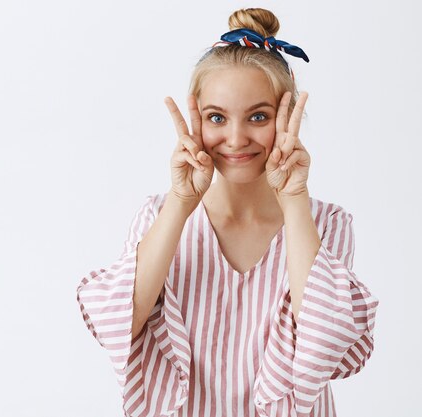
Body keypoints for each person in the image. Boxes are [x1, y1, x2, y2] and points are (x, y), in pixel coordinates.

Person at [75, 7, 379, 417]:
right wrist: (182, 202)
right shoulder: (160, 215)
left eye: (258, 116)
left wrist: (293, 198)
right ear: (196, 120)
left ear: (288, 117)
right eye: (217, 117)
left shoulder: (327, 223)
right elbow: (118, 325)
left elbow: (325, 341)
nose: (236, 139)